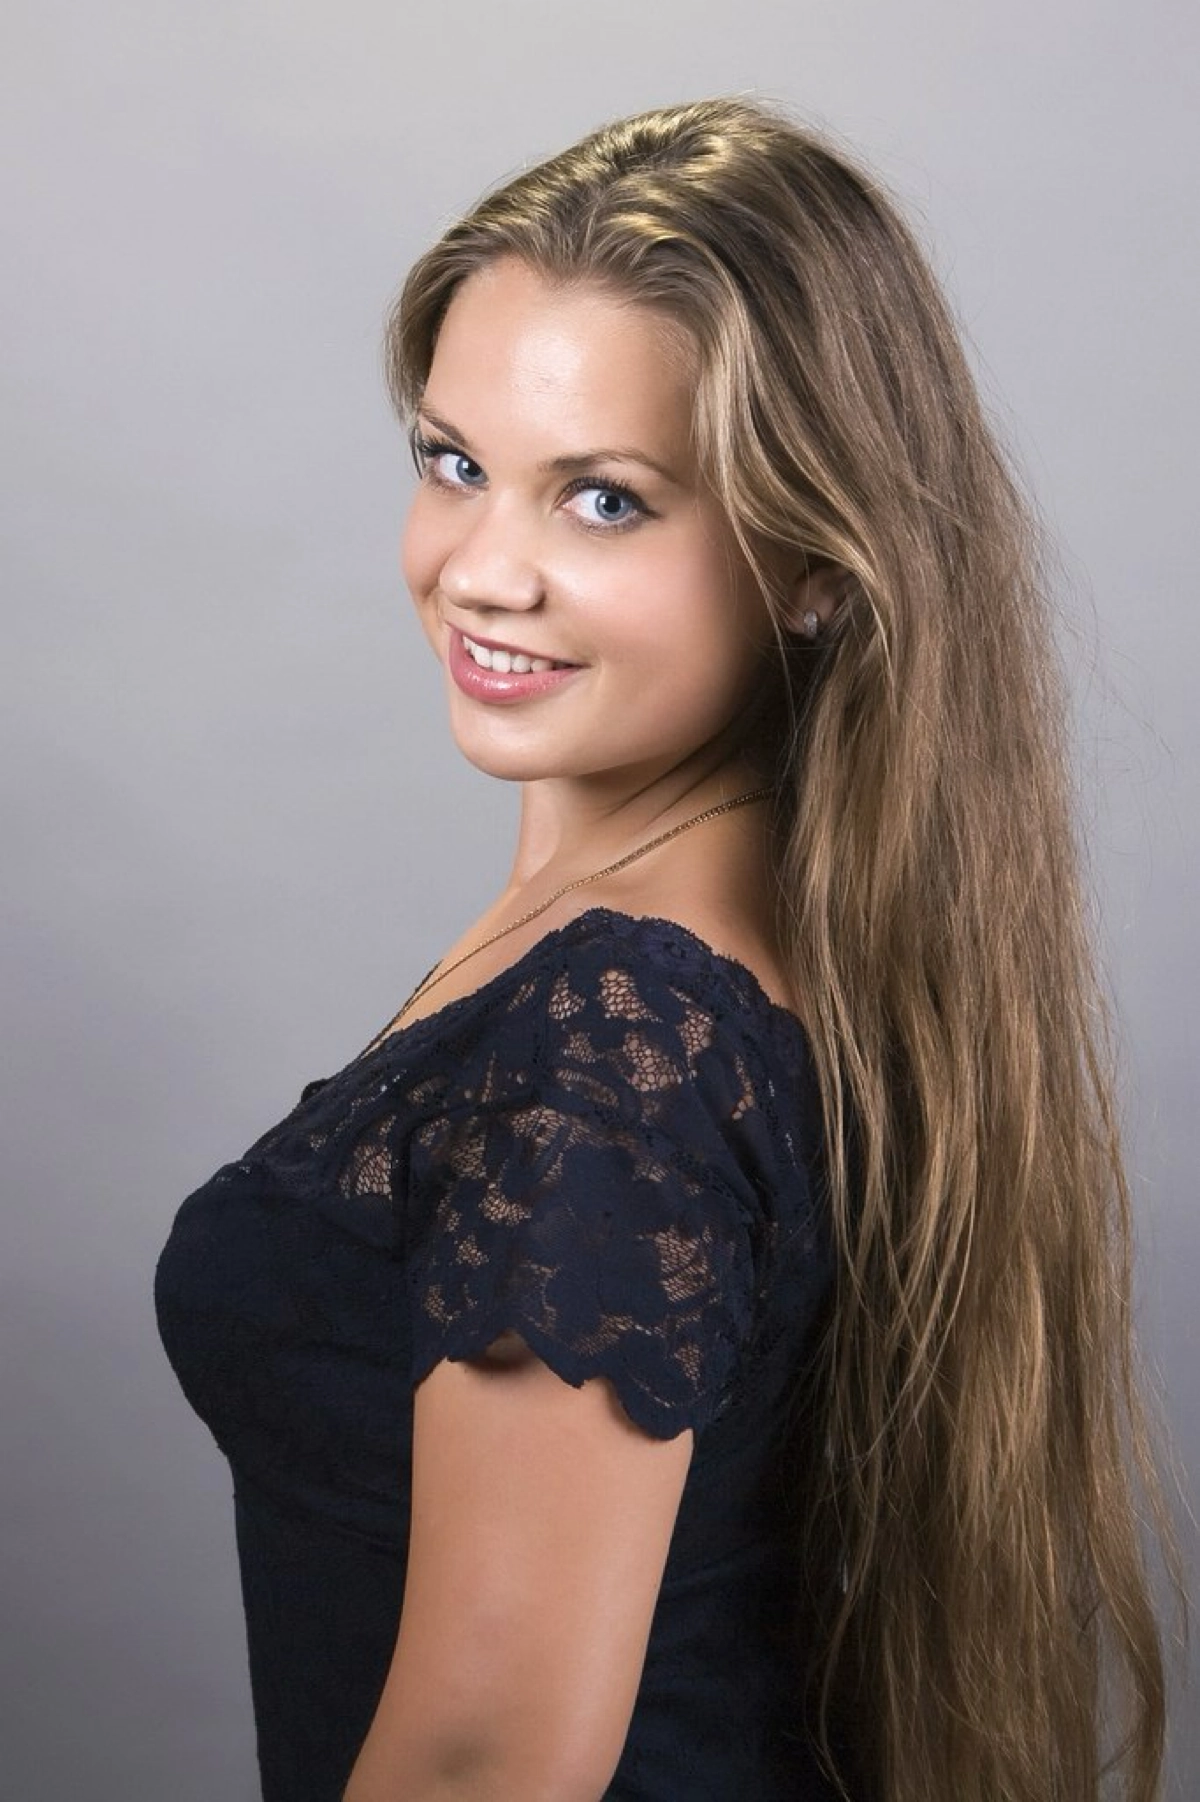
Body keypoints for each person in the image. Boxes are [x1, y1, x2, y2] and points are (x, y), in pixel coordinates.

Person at [153, 96, 1183, 1802]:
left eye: (604, 500)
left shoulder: (613, 1042)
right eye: (454, 462)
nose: (485, 571)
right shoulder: (729, 941)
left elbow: (482, 1765)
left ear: (818, 565)